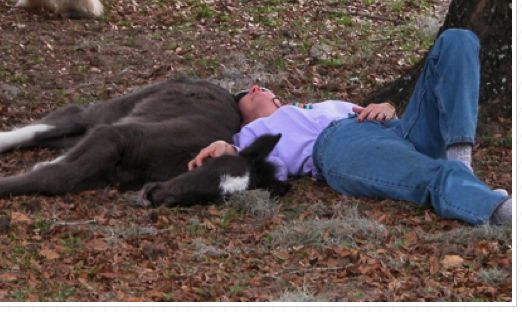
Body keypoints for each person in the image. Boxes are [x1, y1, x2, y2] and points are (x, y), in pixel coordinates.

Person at [189, 29, 512, 226]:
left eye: (261, 87)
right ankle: (494, 208)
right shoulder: (251, 135)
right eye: (245, 94)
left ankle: (461, 162)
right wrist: (223, 148)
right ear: (242, 116)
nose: (255, 89)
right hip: (339, 146)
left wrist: (387, 108)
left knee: (457, 41)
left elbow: (376, 112)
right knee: (428, 176)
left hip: (394, 129)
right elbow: (245, 164)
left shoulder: (311, 106)